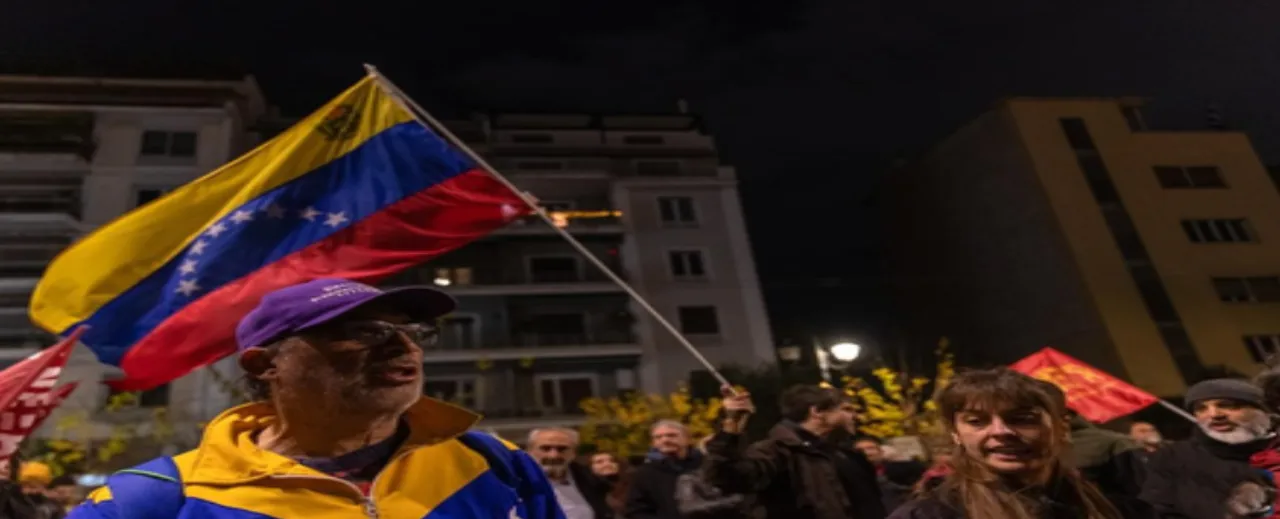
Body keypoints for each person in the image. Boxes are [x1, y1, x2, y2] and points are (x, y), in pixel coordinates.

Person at [69, 278, 564, 519]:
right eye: (363, 331)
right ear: (266, 365)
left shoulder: (494, 464)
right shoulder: (149, 499)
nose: (404, 345)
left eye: (413, 331)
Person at [889, 367, 1121, 519]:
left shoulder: (1115, 507)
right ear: (955, 434)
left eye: (1021, 419)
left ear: (1062, 426)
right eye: (977, 421)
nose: (1001, 432)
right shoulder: (927, 515)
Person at [705, 384, 885, 519]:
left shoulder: (845, 454)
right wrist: (730, 430)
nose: (854, 416)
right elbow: (726, 477)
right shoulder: (777, 451)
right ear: (817, 412)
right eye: (846, 409)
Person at [1141, 378, 1279, 519]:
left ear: (1262, 410)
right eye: (1201, 408)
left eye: (1226, 405)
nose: (1214, 415)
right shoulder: (1172, 458)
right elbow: (1157, 511)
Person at [527, 427, 616, 519]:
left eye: (562, 449)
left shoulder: (588, 480)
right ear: (530, 451)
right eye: (545, 448)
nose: (553, 455)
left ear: (574, 453)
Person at [626, 420, 702, 519]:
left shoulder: (706, 466)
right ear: (654, 443)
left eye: (672, 435)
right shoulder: (645, 473)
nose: (665, 440)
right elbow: (636, 510)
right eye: (658, 437)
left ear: (687, 439)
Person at [854, 436, 926, 512]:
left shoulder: (904, 467)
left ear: (881, 452)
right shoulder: (856, 477)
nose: (867, 453)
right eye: (860, 450)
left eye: (871, 448)